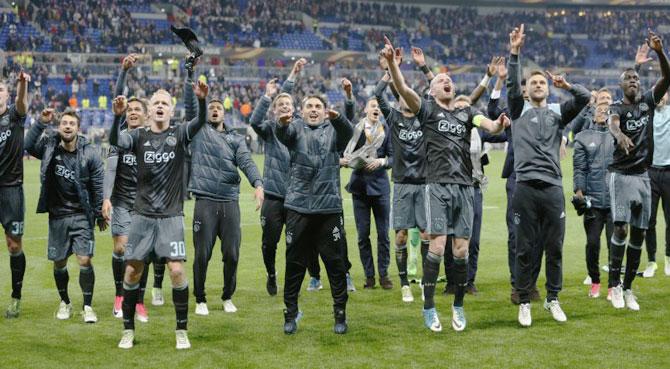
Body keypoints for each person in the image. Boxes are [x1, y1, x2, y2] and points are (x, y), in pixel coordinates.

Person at [383, 36, 509, 332]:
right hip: (437, 185)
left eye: (449, 79)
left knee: (461, 250)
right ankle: (428, 308)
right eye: (440, 80)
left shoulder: (467, 113)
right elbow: (402, 88)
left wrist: (499, 124)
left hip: (465, 187)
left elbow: (488, 126)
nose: (446, 81)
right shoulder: (426, 110)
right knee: (437, 245)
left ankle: (458, 307)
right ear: (431, 89)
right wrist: (391, 64)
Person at [109, 80, 209, 349]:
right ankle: (127, 330)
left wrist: (201, 100)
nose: (161, 106)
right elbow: (115, 141)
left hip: (171, 217)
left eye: (165, 103)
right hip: (141, 217)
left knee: (177, 271)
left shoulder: (179, 134)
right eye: (156, 103)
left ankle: (181, 331)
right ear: (149, 111)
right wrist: (117, 117)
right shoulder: (137, 136)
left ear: (171, 110)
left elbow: (200, 122)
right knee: (132, 271)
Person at [507, 24, 590, 326]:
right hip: (526, 188)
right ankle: (525, 299)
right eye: (534, 82)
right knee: (525, 247)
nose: (539, 85)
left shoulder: (558, 111)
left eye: (543, 82)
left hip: (553, 188)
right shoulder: (517, 111)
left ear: (548, 87)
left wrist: (567, 86)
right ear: (526, 90)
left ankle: (553, 298)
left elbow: (585, 98)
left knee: (554, 247)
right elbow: (511, 85)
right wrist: (515, 52)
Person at [183, 67, 264, 316]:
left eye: (218, 107)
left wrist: (258, 184)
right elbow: (190, 107)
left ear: (224, 112)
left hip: (230, 201)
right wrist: (191, 78)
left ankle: (228, 296)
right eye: (210, 107)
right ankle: (200, 299)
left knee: (232, 253)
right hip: (205, 201)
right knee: (202, 255)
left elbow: (247, 162)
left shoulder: (236, 138)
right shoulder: (198, 132)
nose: (215, 109)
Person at [276, 95, 353, 335]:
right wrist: (282, 123)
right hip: (298, 207)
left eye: (318, 106)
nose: (313, 110)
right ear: (301, 110)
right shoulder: (295, 128)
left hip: (328, 209)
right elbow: (282, 135)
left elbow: (348, 134)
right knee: (294, 264)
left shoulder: (333, 130)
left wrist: (338, 118)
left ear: (324, 111)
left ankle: (340, 315)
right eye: (309, 106)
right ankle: (290, 314)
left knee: (336, 266)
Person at [25, 108, 107, 324]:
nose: (68, 126)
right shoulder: (49, 146)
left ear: (78, 129)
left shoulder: (90, 153)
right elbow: (27, 145)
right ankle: (65, 302)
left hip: (82, 214)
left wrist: (99, 214)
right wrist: (41, 123)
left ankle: (87, 307)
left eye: (72, 123)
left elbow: (98, 186)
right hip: (57, 215)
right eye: (64, 123)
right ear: (59, 127)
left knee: (84, 259)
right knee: (59, 262)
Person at [249, 59, 323, 295]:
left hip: (297, 198)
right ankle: (271, 274)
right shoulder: (270, 129)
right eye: (279, 104)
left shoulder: (302, 128)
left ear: (295, 108)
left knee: (299, 243)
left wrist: (292, 75)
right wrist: (268, 96)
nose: (283, 106)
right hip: (272, 197)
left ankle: (303, 280)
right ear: (274, 109)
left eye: (287, 103)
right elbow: (253, 121)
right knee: (269, 244)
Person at [607, 32, 670, 311]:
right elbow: (613, 122)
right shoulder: (617, 106)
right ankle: (614, 285)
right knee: (620, 228)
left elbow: (667, 78)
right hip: (621, 175)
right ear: (621, 85)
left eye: (636, 78)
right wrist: (619, 135)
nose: (633, 81)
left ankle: (629, 287)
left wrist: (660, 52)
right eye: (628, 79)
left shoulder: (647, 101)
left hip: (643, 175)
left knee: (639, 234)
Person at [103, 54, 162, 323]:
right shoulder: (122, 139)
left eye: (138, 109)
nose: (133, 112)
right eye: (130, 110)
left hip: (146, 204)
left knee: (143, 254)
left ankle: (138, 301)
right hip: (123, 203)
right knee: (121, 249)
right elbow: (111, 168)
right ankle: (119, 296)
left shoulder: (153, 139)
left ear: (146, 114)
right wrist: (124, 73)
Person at [342, 91, 393, 290]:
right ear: (365, 109)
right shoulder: (357, 130)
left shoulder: (387, 129)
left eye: (379, 106)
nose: (376, 109)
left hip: (380, 188)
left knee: (383, 235)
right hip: (359, 188)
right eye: (373, 105)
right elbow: (345, 119)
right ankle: (369, 276)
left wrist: (382, 161)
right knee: (363, 235)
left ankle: (384, 274)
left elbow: (393, 157)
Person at [572, 101, 615, 299]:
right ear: (593, 113)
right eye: (600, 109)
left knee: (615, 244)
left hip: (615, 200)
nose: (603, 112)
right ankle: (595, 281)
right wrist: (579, 192)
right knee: (592, 243)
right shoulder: (583, 137)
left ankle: (614, 285)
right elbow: (579, 168)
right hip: (593, 201)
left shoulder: (618, 135)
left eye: (607, 110)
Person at [0, 71, 29, 318]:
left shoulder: (14, 116)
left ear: (6, 94)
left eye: (0, 89)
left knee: (13, 244)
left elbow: (22, 102)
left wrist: (23, 84)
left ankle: (16, 297)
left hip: (11, 189)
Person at [643, 92, 670, 277]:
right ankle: (652, 261)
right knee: (649, 220)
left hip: (669, 172)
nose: (660, 96)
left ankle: (669, 259)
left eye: (663, 92)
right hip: (650, 172)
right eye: (657, 93)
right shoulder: (647, 114)